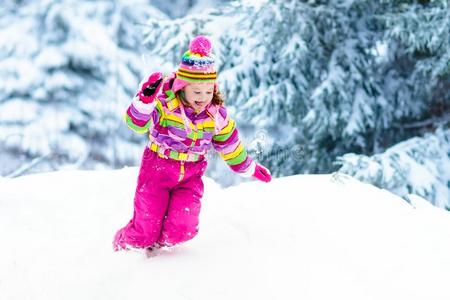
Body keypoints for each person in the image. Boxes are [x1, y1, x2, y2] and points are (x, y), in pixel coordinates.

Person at [112, 35, 271, 252]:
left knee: (183, 228)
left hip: (190, 176)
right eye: (197, 91)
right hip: (157, 169)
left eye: (208, 91)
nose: (203, 97)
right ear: (182, 87)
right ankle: (125, 244)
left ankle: (158, 251)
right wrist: (146, 100)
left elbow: (230, 145)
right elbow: (135, 123)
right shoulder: (166, 104)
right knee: (145, 230)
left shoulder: (215, 115)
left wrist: (248, 167)